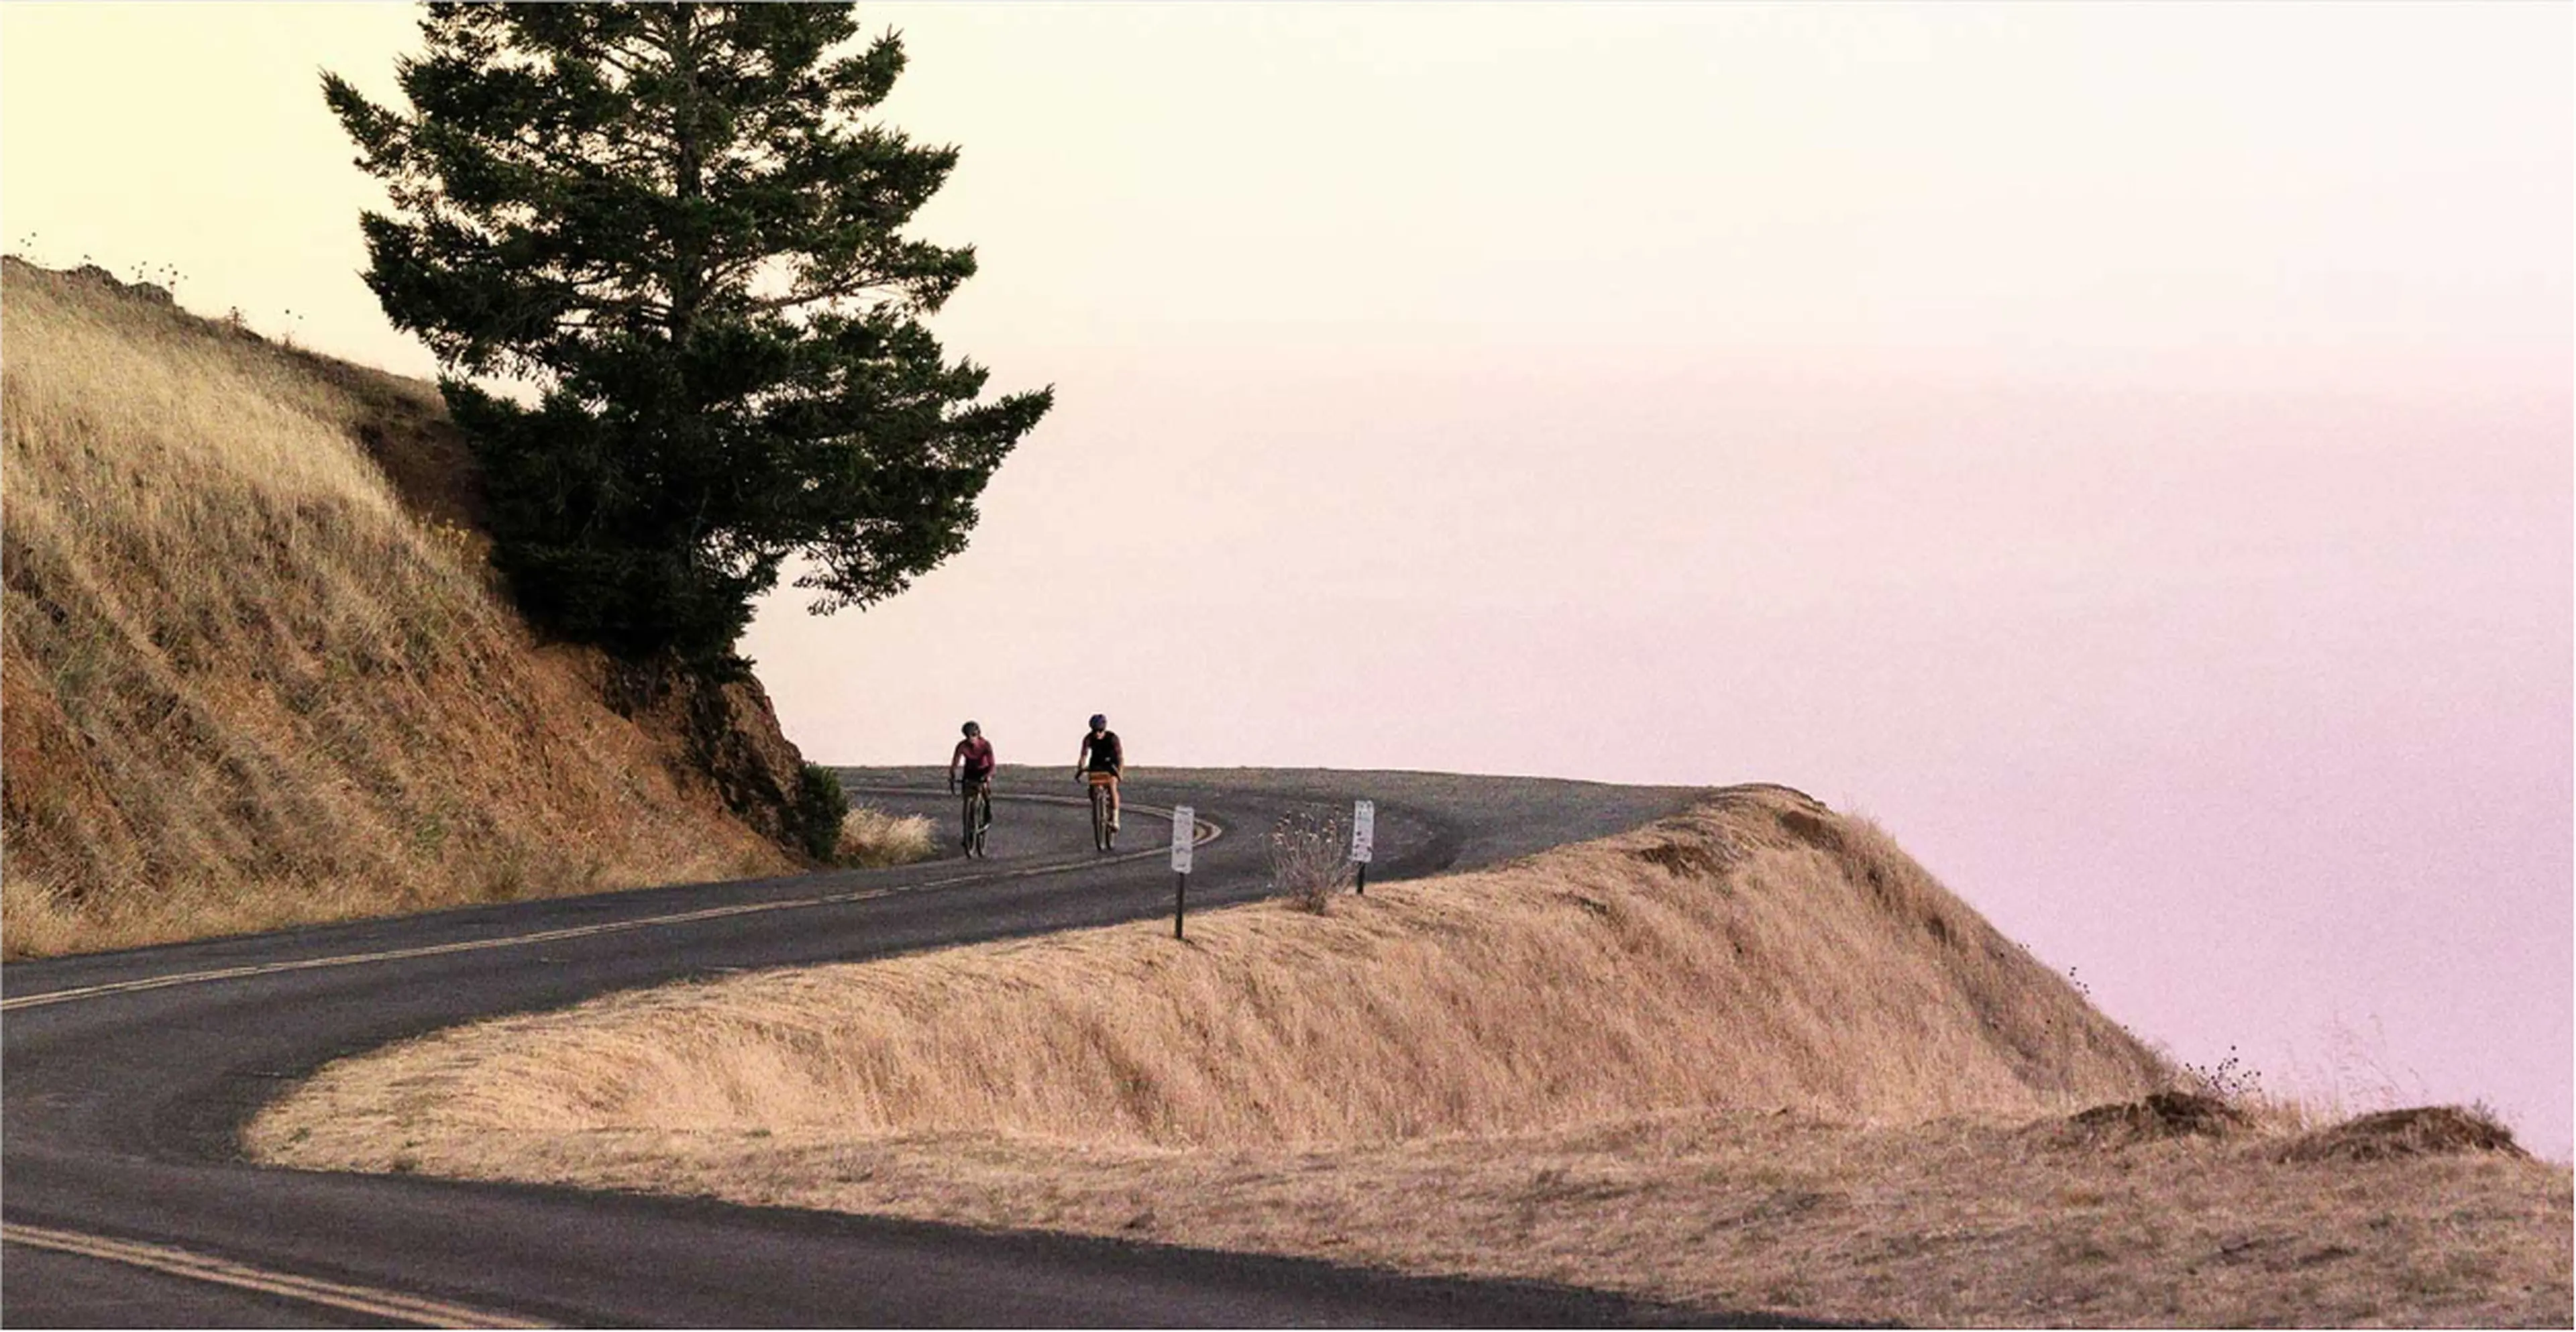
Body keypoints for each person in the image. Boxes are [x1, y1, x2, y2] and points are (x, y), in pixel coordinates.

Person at [948, 721, 996, 856]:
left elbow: (992, 765)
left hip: (984, 770)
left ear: (978, 734)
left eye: (973, 735)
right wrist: (952, 776)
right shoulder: (962, 746)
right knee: (968, 796)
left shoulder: (986, 745)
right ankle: (968, 831)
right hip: (970, 771)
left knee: (985, 792)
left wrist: (989, 776)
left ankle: (987, 815)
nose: (971, 739)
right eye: (968, 736)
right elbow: (955, 763)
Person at [1075, 713, 1122, 832]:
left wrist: (1119, 772)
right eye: (1095, 731)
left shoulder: (1113, 738)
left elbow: (1120, 756)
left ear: (1104, 729)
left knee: (1112, 786)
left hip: (1111, 764)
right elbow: (1084, 755)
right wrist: (1080, 768)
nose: (1097, 734)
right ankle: (1097, 807)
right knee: (1092, 788)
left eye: (1100, 730)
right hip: (1096, 764)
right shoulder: (1088, 738)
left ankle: (1115, 820)